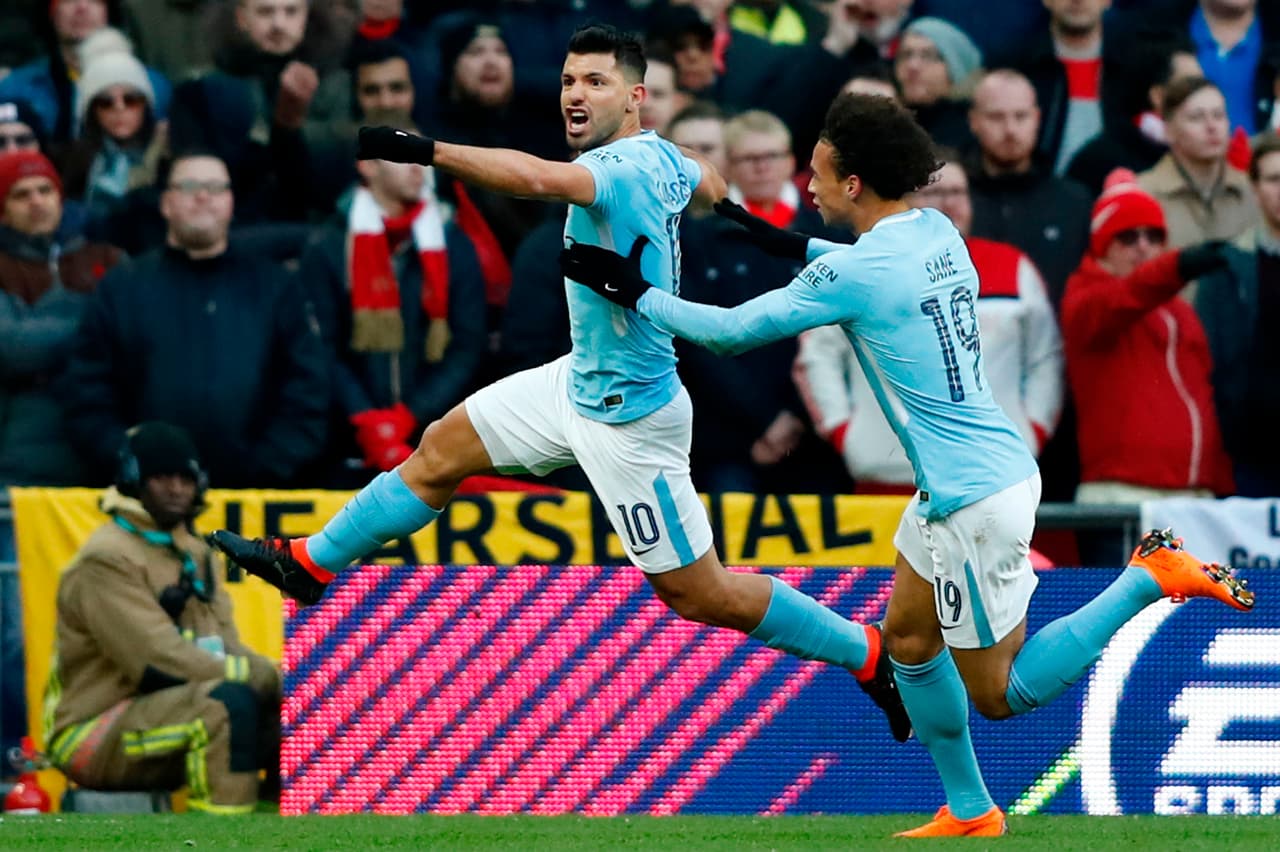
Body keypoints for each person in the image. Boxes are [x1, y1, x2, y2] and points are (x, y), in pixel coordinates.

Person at [559, 92, 1255, 837]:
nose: (808, 184)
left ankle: (1148, 578)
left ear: (853, 183)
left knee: (1000, 693)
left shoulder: (862, 273)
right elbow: (852, 263)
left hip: (974, 499)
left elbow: (730, 332)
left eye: (819, 173)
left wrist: (636, 294)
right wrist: (753, 227)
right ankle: (970, 809)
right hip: (971, 476)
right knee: (911, 642)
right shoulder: (934, 229)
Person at [208, 24, 911, 742]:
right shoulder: (665, 157)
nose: (575, 94)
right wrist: (730, 208)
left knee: (701, 593)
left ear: (635, 97)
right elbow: (709, 179)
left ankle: (866, 651)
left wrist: (427, 149)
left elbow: (540, 178)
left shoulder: (621, 170)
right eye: (571, 80)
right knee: (441, 450)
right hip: (574, 382)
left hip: (633, 418)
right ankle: (310, 564)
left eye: (595, 82)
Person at [45, 422, 281, 813]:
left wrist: (279, 680)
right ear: (134, 480)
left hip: (168, 711)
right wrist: (258, 674)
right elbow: (157, 662)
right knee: (227, 704)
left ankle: (285, 827)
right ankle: (227, 838)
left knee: (292, 703)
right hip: (95, 730)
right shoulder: (106, 557)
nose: (175, 488)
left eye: (184, 478)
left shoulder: (197, 552)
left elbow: (226, 647)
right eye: (161, 477)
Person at [795, 153, 1063, 492]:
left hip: (991, 475)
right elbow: (817, 355)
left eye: (958, 192)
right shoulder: (856, 266)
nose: (948, 204)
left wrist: (1031, 430)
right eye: (934, 193)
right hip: (887, 473)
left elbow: (1046, 358)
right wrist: (844, 431)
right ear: (904, 200)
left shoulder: (1012, 267)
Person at [62, 150, 331, 487]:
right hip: (144, 500)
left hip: (253, 499)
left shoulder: (276, 287)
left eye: (216, 188)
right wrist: (132, 460)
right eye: (189, 186)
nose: (203, 196)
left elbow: (307, 389)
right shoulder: (122, 287)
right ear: (166, 204)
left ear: (231, 202)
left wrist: (267, 466)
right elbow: (88, 392)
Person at [301, 116, 487, 477]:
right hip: (344, 443)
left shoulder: (453, 244)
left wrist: (409, 416)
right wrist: (367, 420)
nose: (419, 166)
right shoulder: (327, 248)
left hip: (436, 436)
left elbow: (467, 344)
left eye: (423, 153)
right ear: (367, 165)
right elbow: (319, 345)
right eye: (404, 153)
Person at [1062, 168, 1235, 505]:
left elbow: (1205, 397)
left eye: (1153, 236)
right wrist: (1178, 266)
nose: (1143, 247)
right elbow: (1128, 295)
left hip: (1194, 494)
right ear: (1101, 245)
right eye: (1128, 237)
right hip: (1122, 494)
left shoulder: (1180, 312)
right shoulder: (1086, 299)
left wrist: (1220, 481)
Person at [1194, 135, 1280, 496]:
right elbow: (1209, 362)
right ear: (1255, 188)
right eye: (1274, 180)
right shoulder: (1227, 266)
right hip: (1248, 458)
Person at [1137, 76, 1259, 253]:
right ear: (1168, 131)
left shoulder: (1252, 192)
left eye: (1219, 115)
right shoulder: (1143, 194)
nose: (1212, 126)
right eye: (1196, 118)